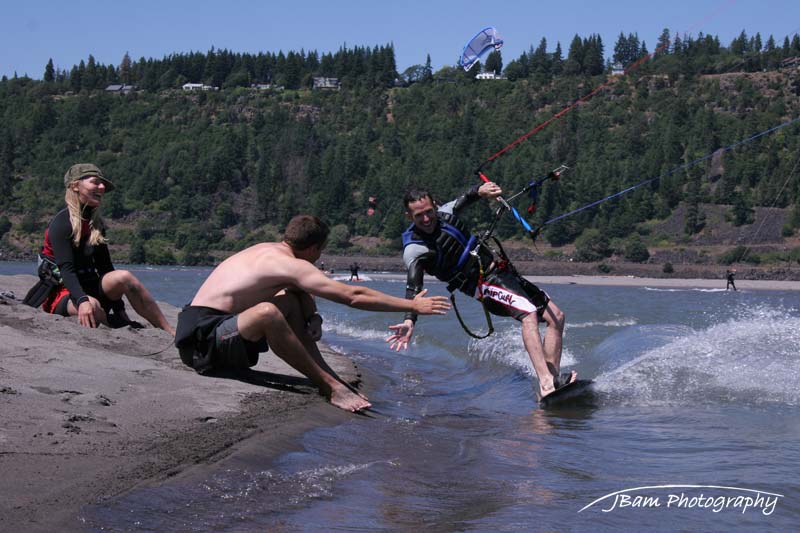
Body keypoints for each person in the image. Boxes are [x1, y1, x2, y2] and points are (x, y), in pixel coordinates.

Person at [174, 215, 450, 412]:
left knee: (289, 299)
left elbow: (298, 290)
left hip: (210, 329)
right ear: (314, 248)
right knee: (268, 312)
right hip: (201, 344)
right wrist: (412, 306)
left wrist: (313, 317)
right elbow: (352, 296)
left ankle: (326, 375)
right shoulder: (291, 265)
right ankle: (331, 387)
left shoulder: (265, 250)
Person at [386, 182, 574, 400]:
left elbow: (466, 197)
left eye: (429, 212)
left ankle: (552, 380)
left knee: (556, 317)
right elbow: (413, 288)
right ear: (409, 216)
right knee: (528, 314)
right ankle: (546, 383)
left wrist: (481, 190)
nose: (426, 219)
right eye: (419, 216)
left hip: (503, 272)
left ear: (435, 206)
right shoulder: (415, 248)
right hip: (482, 286)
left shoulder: (445, 213)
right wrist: (410, 320)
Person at [25, 163, 175, 335]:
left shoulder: (95, 223)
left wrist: (119, 309)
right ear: (75, 186)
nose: (102, 187)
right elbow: (66, 269)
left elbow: (105, 267)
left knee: (124, 277)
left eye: (102, 184)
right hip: (63, 292)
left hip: (92, 287)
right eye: (95, 182)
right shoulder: (62, 223)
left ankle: (168, 330)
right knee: (93, 305)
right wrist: (82, 300)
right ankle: (108, 323)